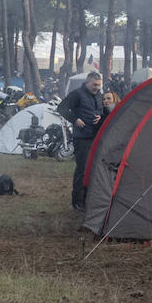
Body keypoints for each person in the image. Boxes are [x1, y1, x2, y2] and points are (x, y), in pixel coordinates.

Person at [60, 70, 104, 212]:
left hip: (96, 137)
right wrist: (75, 119)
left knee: (93, 169)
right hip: (82, 138)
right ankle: (77, 201)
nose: (96, 87)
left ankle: (88, 199)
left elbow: (102, 111)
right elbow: (62, 108)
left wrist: (100, 117)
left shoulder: (99, 96)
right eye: (94, 85)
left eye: (98, 85)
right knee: (82, 169)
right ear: (87, 82)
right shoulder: (77, 94)